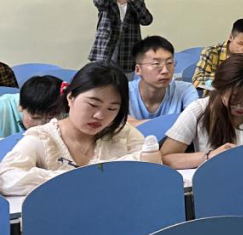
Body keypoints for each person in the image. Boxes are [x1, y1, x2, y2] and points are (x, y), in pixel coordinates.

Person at [0, 62, 146, 196]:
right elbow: (7, 177)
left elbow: (148, 166)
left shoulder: (122, 132)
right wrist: (76, 179)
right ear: (70, 97)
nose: (100, 115)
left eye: (111, 108)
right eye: (93, 105)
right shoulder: (43, 137)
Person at [88, 0, 153, 73]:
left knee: (126, 81)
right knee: (104, 80)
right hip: (106, 47)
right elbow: (100, 2)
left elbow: (146, 20)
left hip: (129, 47)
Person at [127, 36, 199, 125]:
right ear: (138, 69)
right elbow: (116, 125)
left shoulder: (185, 90)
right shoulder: (123, 91)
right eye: (156, 64)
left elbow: (194, 120)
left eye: (169, 63)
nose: (165, 71)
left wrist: (135, 124)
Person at [191, 18, 243, 90]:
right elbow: (197, 79)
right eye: (241, 44)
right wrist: (231, 77)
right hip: (216, 95)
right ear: (231, 37)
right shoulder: (212, 52)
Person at [0, 75, 65, 137]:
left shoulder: (67, 112)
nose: (41, 126)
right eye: (35, 118)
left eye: (50, 118)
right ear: (20, 106)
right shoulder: (3, 107)